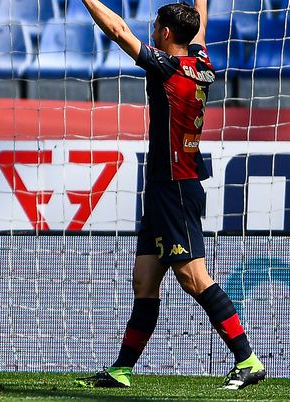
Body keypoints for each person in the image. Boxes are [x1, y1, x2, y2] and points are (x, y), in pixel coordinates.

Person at [78, 0, 265, 390]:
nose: (151, 29)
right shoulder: (200, 61)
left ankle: (247, 359)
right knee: (145, 280)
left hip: (176, 186)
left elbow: (117, 31)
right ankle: (122, 370)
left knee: (192, 276)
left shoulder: (166, 67)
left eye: (156, 24)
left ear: (164, 33)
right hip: (171, 183)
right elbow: (199, 28)